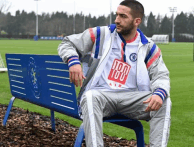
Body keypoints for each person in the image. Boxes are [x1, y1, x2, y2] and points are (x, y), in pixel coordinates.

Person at [58, 0, 171, 146]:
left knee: (164, 101)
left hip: (132, 100)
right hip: (102, 96)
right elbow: (68, 43)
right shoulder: (101, 34)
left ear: (137, 21)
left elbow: (160, 74)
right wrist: (73, 61)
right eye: (117, 15)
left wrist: (159, 93)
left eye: (123, 16)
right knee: (91, 96)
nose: (117, 20)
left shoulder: (148, 46)